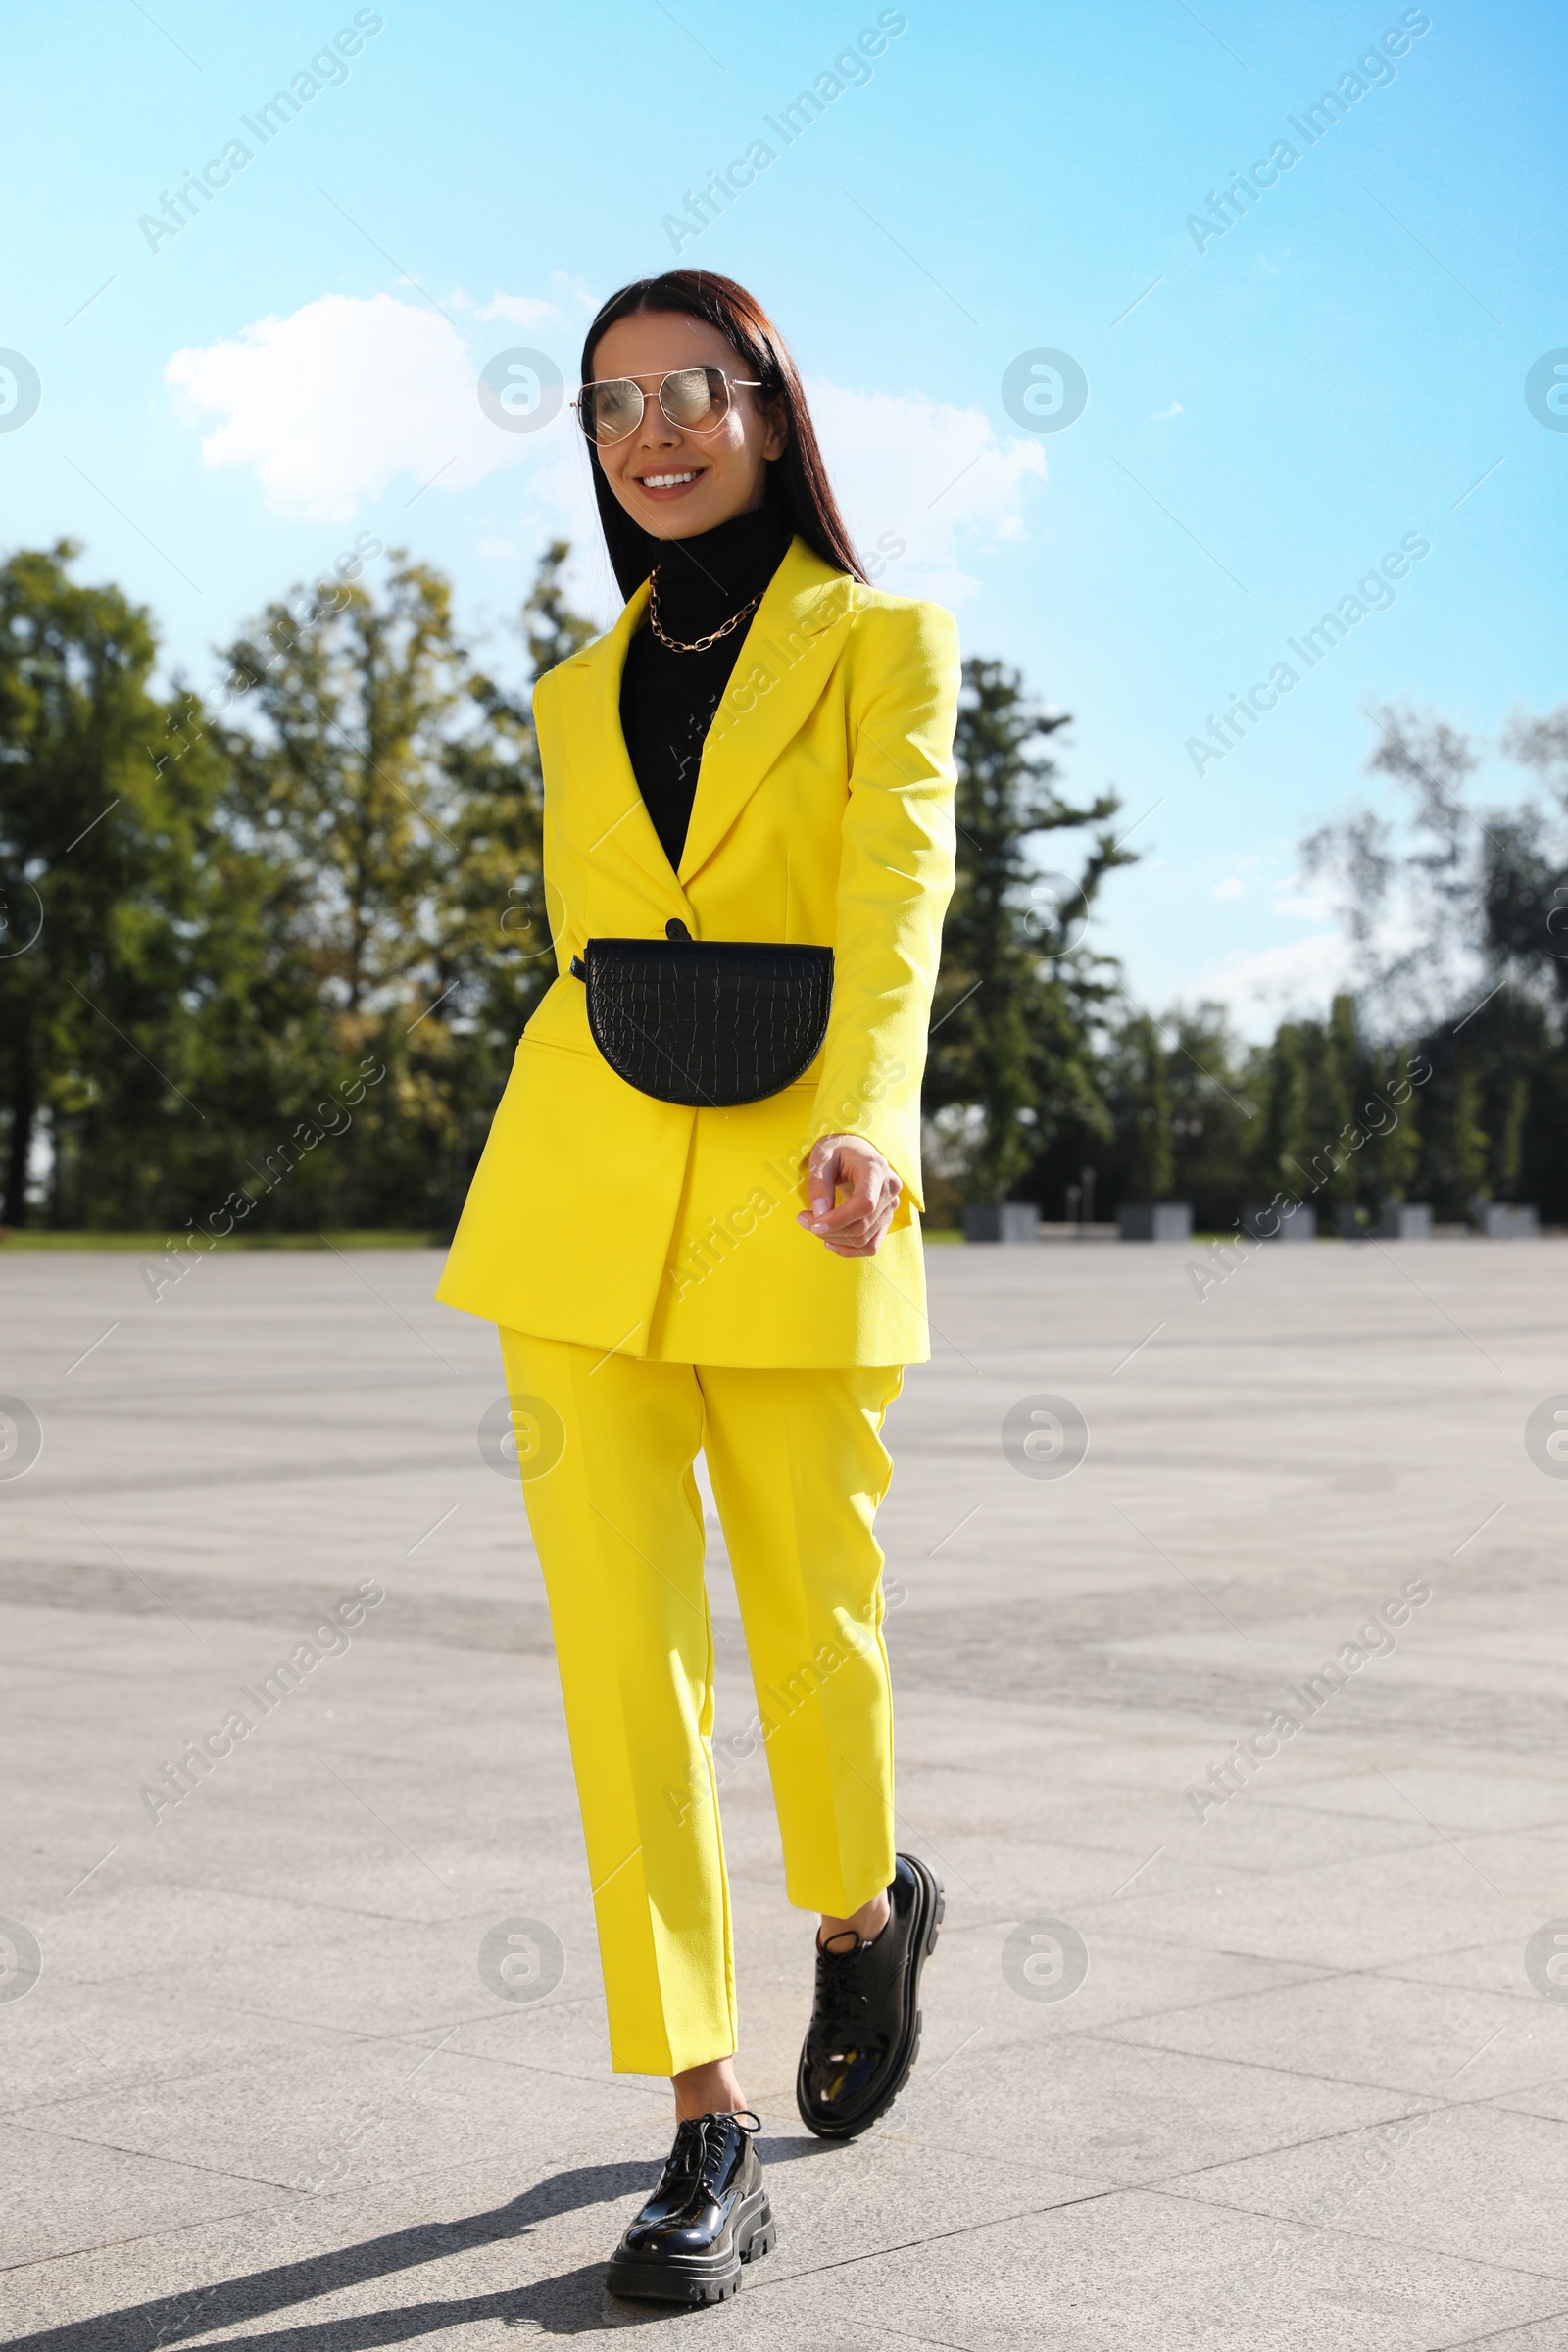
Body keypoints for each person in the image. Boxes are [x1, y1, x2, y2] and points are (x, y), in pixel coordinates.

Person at [436, 268, 959, 2307]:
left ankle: (857, 1916)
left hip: (804, 1186)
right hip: (576, 1205)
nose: (649, 433)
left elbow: (892, 894)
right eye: (607, 406)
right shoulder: (570, 691)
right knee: (619, 1669)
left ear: (764, 408)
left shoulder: (882, 640)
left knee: (813, 1627)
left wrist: (873, 1124)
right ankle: (701, 2116)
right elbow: (598, 937)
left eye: (687, 393)